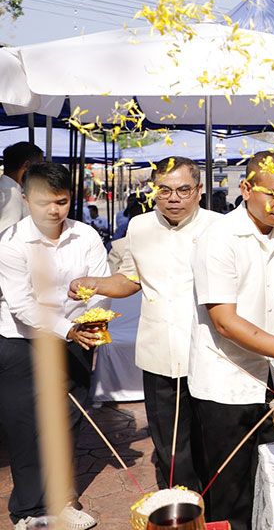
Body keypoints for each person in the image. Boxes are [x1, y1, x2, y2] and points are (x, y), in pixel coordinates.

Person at [68, 156, 219, 494]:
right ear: (153, 190)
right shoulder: (139, 227)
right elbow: (130, 279)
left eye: (183, 190)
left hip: (208, 349)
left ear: (199, 190)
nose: (173, 198)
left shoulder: (220, 227)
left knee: (209, 437)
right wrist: (95, 283)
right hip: (158, 349)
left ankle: (212, 507)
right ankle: (180, 505)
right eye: (164, 190)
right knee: (168, 443)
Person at [188, 151, 274, 529]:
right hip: (226, 378)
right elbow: (225, 322)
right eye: (273, 194)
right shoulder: (219, 237)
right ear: (245, 189)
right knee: (232, 490)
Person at [0, 162, 107, 530]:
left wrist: (91, 321)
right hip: (22, 342)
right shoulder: (11, 243)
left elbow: (100, 285)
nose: (54, 210)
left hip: (76, 339)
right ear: (25, 199)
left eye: (61, 201)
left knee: (68, 422)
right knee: (27, 429)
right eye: (44, 202)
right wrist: (68, 329)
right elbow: (21, 305)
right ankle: (28, 511)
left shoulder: (86, 235)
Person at [0, 142, 44, 234]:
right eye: (39, 166)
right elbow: (7, 236)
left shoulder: (8, 190)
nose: (40, 172)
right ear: (26, 165)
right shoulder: (11, 196)